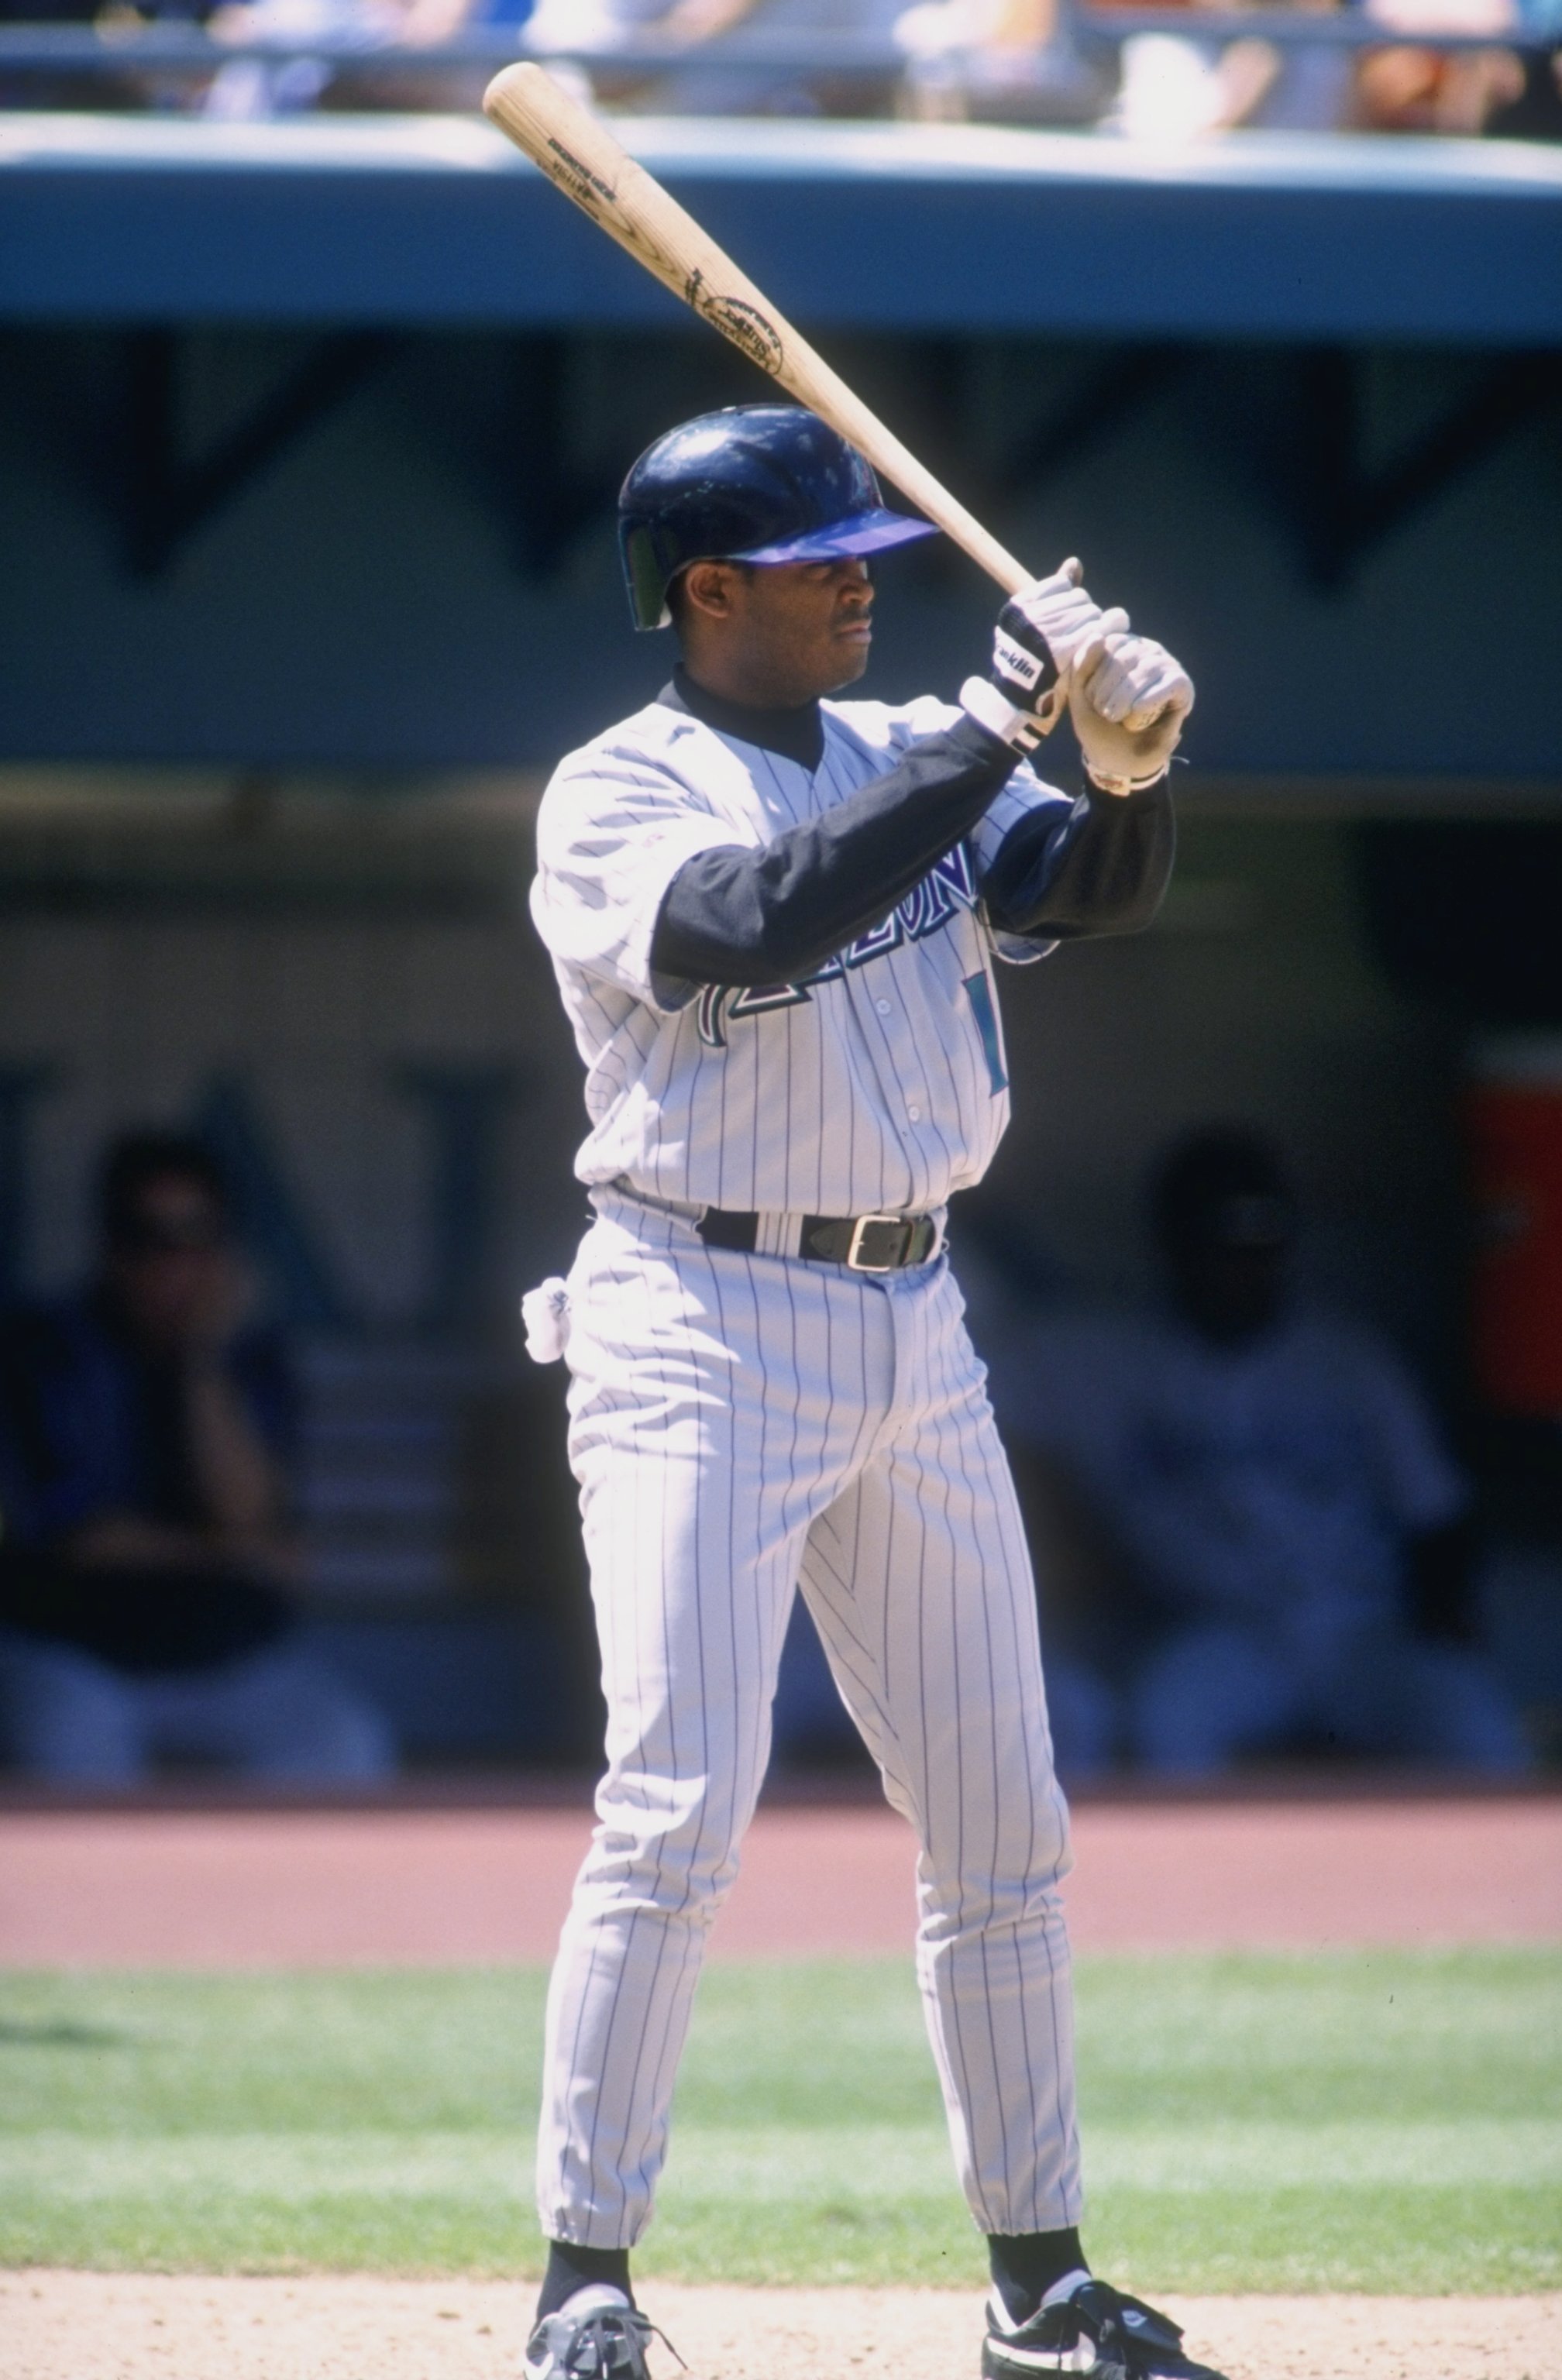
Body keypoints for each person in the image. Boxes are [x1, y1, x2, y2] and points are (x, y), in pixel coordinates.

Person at [520, 403, 1228, 2380]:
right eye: (819, 563)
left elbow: (1083, 888)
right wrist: (998, 723)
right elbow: (756, 917)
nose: (858, 587)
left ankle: (1041, 2286)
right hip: (697, 1310)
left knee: (1004, 1820)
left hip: (914, 1314)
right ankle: (585, 2281)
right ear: (708, 590)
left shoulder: (897, 739)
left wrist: (1130, 769)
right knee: (677, 1806)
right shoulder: (615, 787)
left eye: (861, 559)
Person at [997, 1128, 1531, 1776]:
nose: (1239, 1265)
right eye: (1217, 1242)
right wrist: (1072, 1526)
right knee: (1163, 1720)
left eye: (1258, 1241)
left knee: (1475, 1722)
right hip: (1220, 1632)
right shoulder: (1099, 1361)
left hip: (1361, 1628)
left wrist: (1448, 1614)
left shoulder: (1349, 1363)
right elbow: (961, 1395)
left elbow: (1438, 1517)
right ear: (1173, 1244)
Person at [0, 1132, 394, 1784]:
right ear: (110, 1247)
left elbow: (249, 1515)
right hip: (76, 1653)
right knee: (74, 1742)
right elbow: (80, 1539)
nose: (173, 1261)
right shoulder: (48, 1352)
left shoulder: (248, 1359)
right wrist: (234, 1557)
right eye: (148, 1237)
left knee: (340, 1742)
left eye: (195, 1236)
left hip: (223, 1658)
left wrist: (203, 1362)